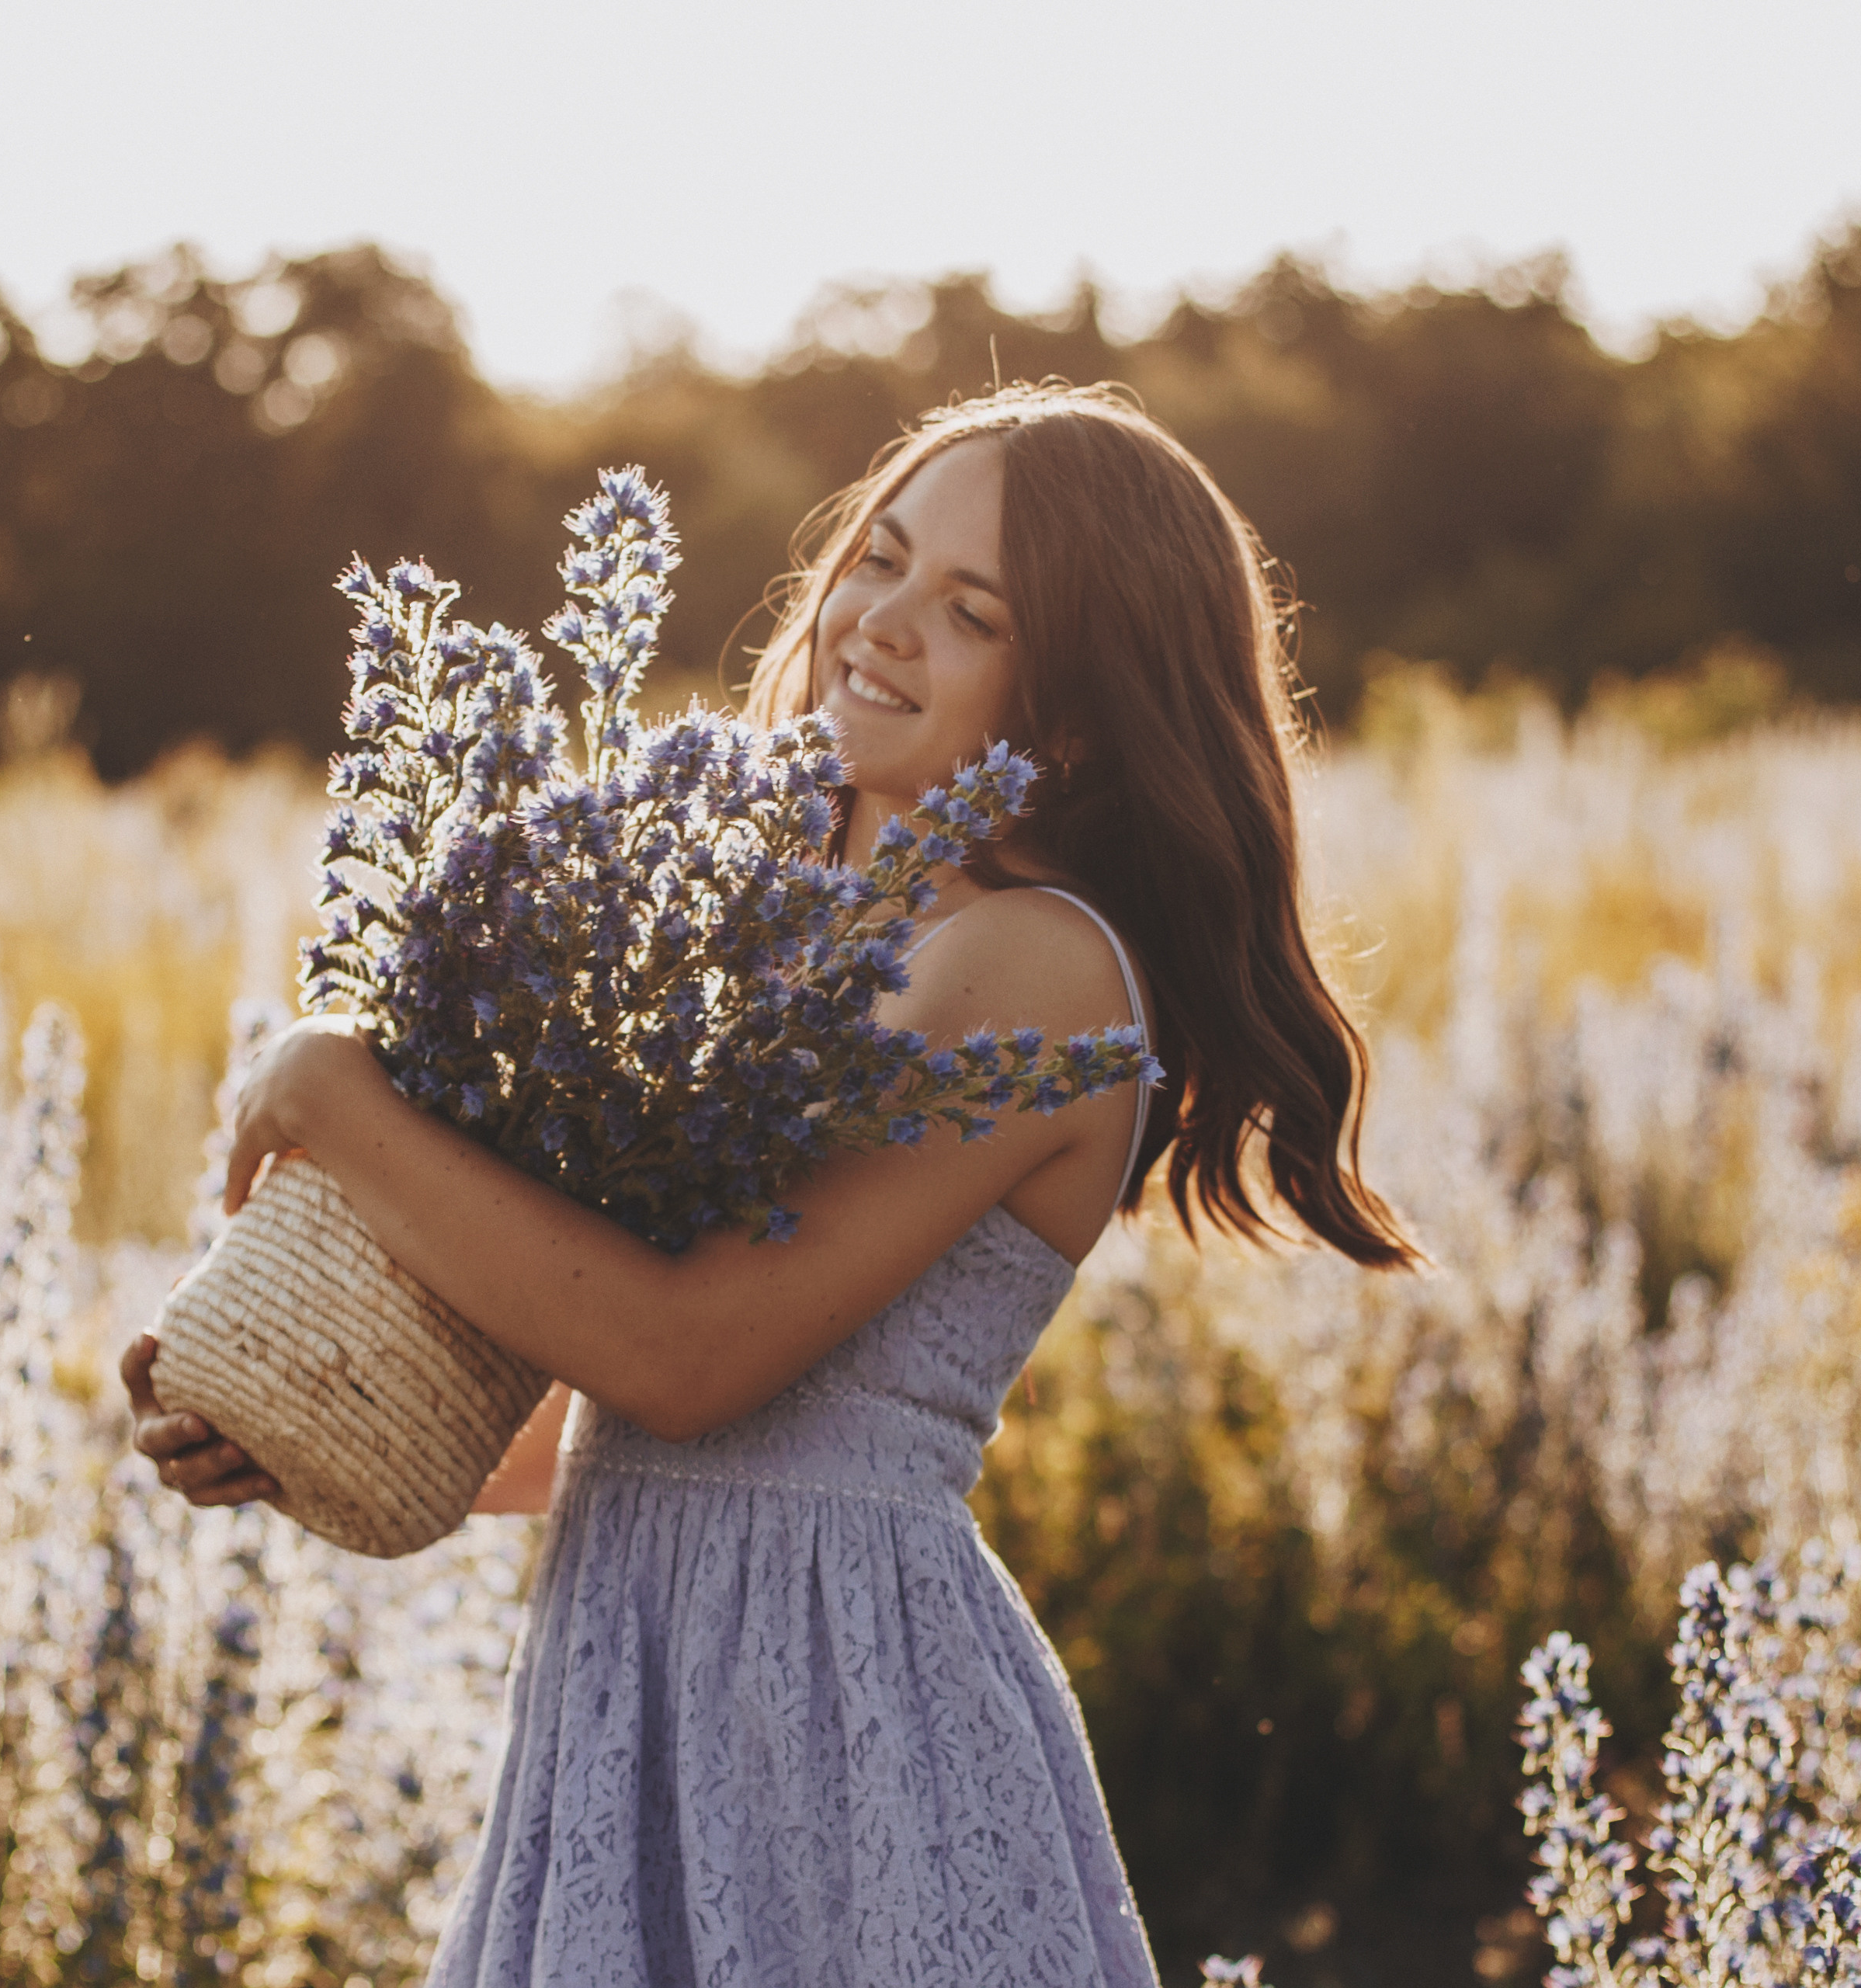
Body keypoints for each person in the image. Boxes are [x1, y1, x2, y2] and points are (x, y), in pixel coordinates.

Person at [124, 381, 1417, 1986]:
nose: (880, 618)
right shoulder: (752, 938)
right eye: (879, 558)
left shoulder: (1032, 963)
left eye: (970, 610)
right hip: (635, 1681)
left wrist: (333, 1087)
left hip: (841, 1725)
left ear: (1072, 712)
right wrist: (320, 1411)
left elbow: (684, 1358)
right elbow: (614, 1419)